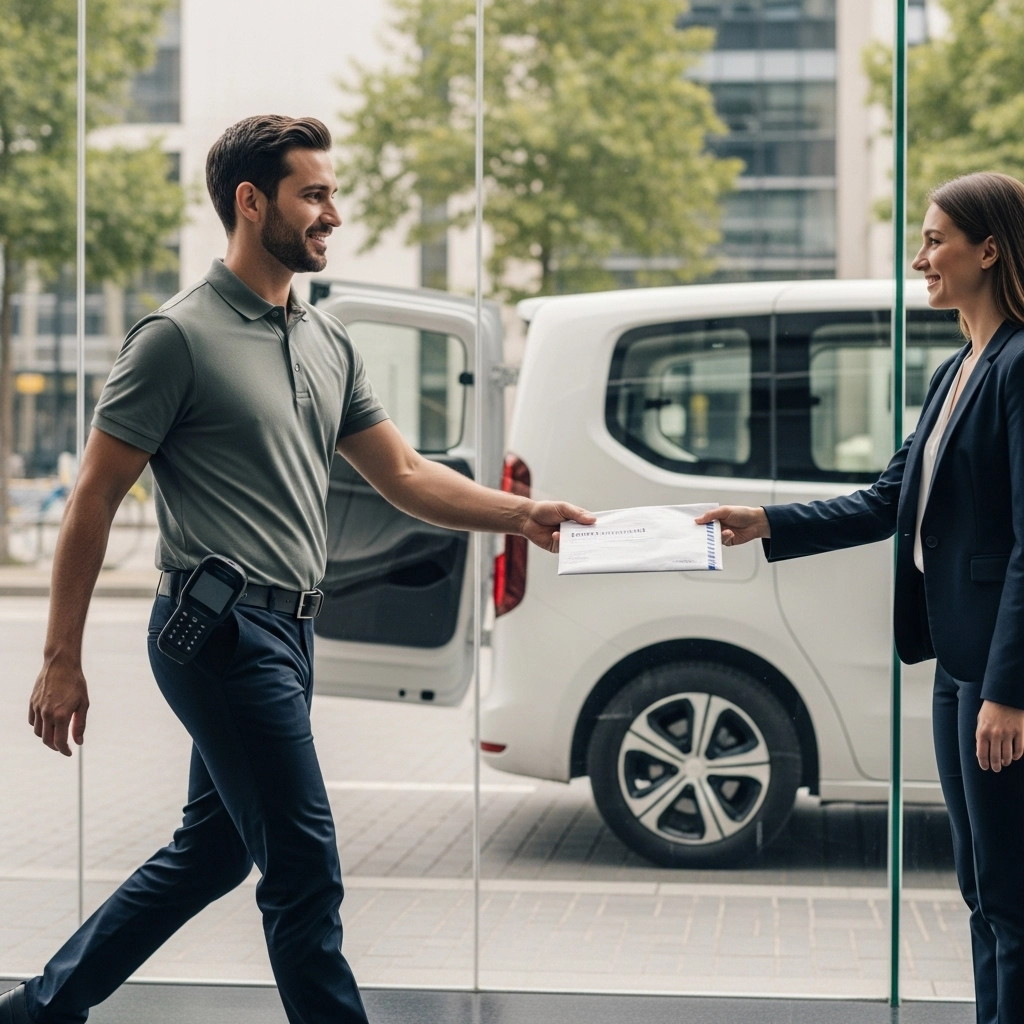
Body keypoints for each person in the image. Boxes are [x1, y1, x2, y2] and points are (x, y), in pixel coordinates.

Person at [0, 115, 594, 1024]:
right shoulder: (176, 337)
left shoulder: (325, 340)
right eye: (313, 194)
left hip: (290, 631)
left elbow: (403, 475)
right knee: (304, 865)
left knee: (212, 853)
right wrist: (59, 656)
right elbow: (92, 497)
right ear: (251, 202)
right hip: (217, 631)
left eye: (330, 194)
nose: (334, 214)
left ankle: (41, 1009)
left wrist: (523, 515)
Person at [694, 171, 1024, 1024]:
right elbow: (889, 499)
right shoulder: (958, 368)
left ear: (989, 250)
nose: (920, 258)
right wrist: (764, 521)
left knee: (1013, 892)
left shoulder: (1022, 367)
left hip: (996, 677)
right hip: (956, 659)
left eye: (934, 240)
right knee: (980, 883)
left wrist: (1009, 690)